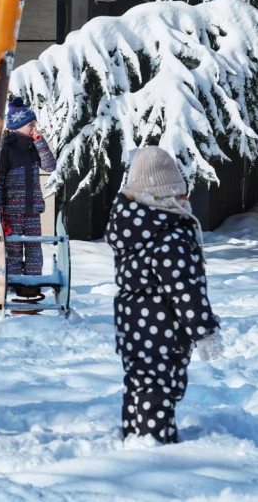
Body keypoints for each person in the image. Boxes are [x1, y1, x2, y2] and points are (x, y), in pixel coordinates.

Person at [105, 146, 224, 444]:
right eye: (180, 195)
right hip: (162, 332)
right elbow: (185, 289)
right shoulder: (169, 237)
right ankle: (155, 448)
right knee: (160, 390)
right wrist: (204, 331)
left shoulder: (136, 228)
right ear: (161, 197)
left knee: (139, 385)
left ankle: (135, 437)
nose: (185, 201)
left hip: (134, 327)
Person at [0, 96, 57, 296]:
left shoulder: (34, 147)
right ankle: (14, 285)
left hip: (32, 210)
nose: (34, 128)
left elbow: (50, 166)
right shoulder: (6, 148)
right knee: (12, 251)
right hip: (11, 212)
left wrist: (40, 142)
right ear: (18, 125)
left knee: (34, 250)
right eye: (31, 124)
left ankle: (31, 285)